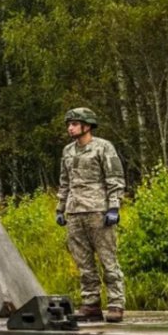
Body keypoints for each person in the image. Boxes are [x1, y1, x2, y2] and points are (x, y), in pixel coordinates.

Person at [56, 107, 126, 322]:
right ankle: (91, 304)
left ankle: (115, 303)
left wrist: (114, 207)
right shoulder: (68, 151)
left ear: (86, 126)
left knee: (107, 259)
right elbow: (64, 181)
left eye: (74, 124)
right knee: (83, 262)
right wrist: (60, 208)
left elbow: (115, 178)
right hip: (75, 212)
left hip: (98, 210)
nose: (70, 128)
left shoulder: (103, 147)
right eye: (69, 124)